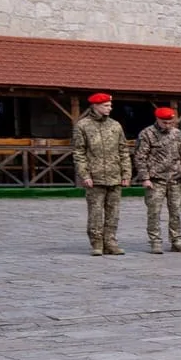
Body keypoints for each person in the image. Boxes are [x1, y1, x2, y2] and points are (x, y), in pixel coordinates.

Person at [72, 92, 131, 256]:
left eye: (110, 105)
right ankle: (97, 243)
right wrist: (85, 175)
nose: (109, 108)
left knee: (113, 212)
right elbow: (79, 153)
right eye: (106, 106)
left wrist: (126, 174)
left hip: (114, 176)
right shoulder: (82, 126)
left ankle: (111, 242)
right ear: (95, 106)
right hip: (95, 177)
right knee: (96, 213)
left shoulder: (115, 126)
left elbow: (123, 151)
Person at [134, 105, 181, 253]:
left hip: (175, 179)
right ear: (157, 120)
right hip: (155, 180)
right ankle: (155, 241)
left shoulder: (178, 134)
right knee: (154, 211)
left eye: (170, 122)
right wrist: (145, 178)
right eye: (164, 122)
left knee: (176, 211)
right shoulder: (147, 134)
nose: (167, 125)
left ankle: (177, 240)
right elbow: (140, 157)